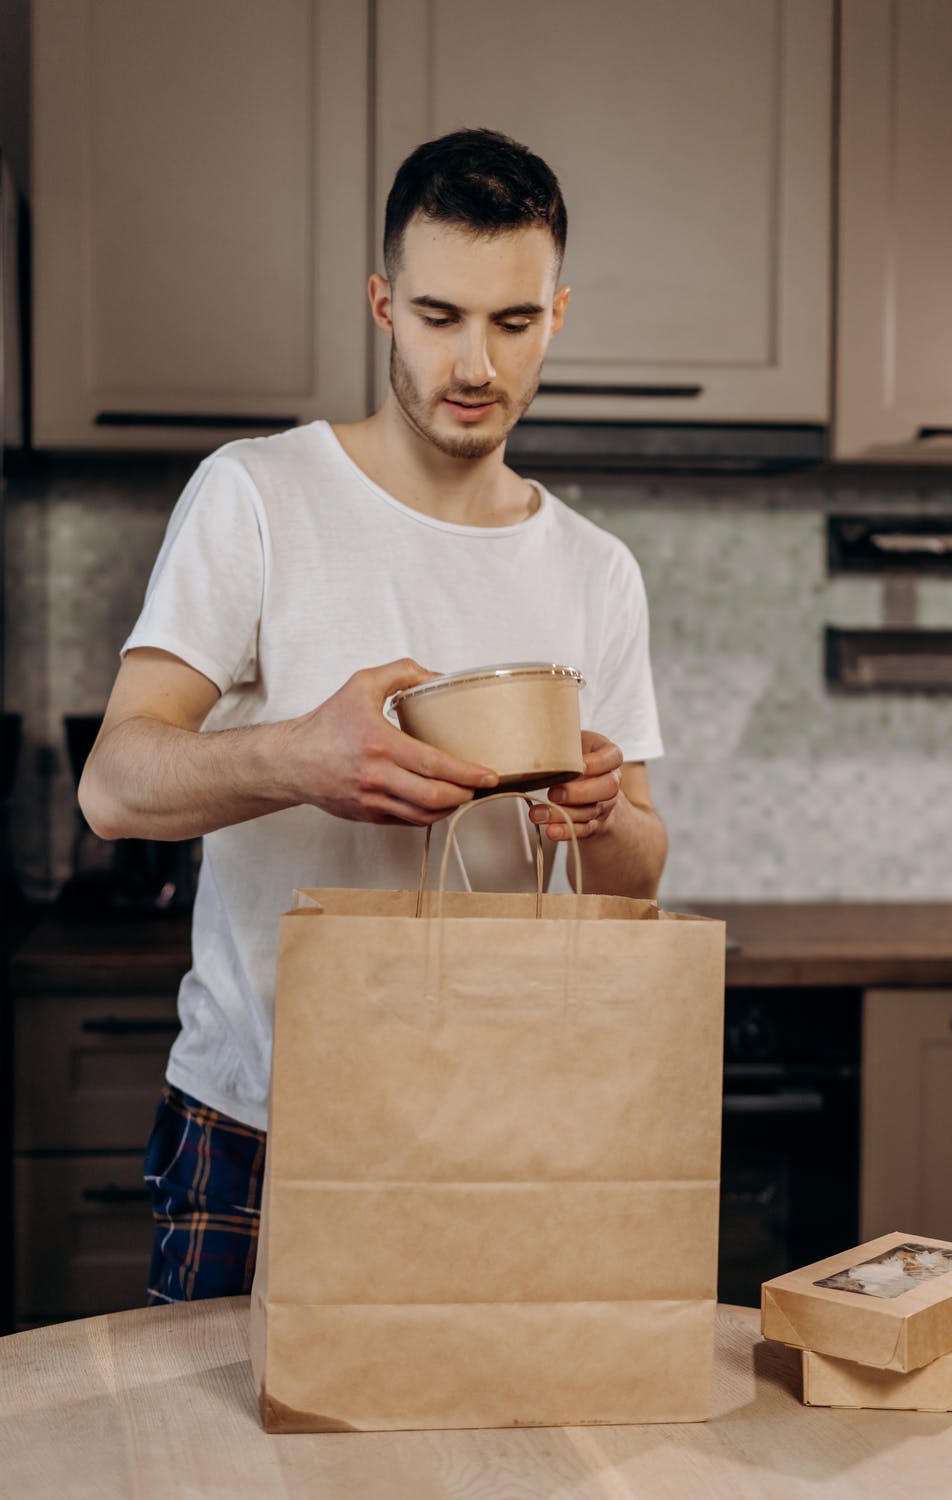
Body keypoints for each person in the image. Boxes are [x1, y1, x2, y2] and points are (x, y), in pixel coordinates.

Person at [79, 127, 668, 1304]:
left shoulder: (596, 570)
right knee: (218, 1486)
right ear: (382, 303)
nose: (475, 364)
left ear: (557, 314)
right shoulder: (256, 495)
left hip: (495, 1127)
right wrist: (301, 757)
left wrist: (599, 816)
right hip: (260, 1129)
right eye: (440, 315)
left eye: (511, 322)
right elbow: (113, 786)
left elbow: (634, 881)